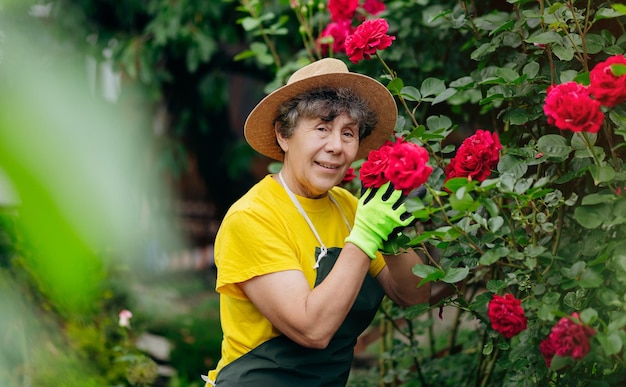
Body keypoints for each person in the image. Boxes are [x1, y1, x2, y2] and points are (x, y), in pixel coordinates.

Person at [203, 58, 430, 386]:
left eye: (348, 132)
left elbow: (412, 295)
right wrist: (365, 235)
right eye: (322, 128)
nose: (336, 146)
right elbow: (311, 329)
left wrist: (392, 230)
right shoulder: (252, 217)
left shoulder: (350, 208)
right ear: (284, 134)